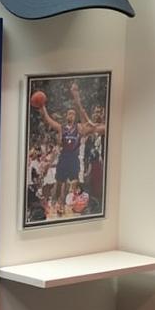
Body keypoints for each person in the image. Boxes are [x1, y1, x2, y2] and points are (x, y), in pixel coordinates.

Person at [33, 81, 105, 212]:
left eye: (73, 113)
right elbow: (48, 120)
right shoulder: (62, 128)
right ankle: (59, 203)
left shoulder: (79, 128)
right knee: (59, 182)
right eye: (69, 113)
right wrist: (42, 108)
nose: (70, 115)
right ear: (66, 116)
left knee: (73, 182)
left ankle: (70, 203)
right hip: (64, 157)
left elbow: (91, 125)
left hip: (74, 158)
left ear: (75, 116)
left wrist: (77, 98)